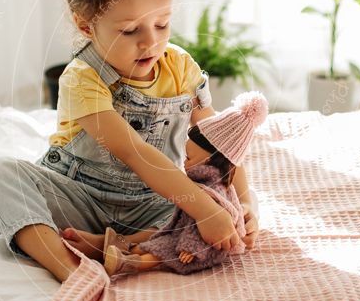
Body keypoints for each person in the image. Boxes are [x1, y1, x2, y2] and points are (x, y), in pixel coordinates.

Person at [0, 0, 260, 283]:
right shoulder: (82, 78)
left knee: (216, 202)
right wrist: (205, 210)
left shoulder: (181, 69)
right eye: (129, 30)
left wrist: (243, 202)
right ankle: (68, 266)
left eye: (162, 24)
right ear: (85, 25)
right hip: (82, 198)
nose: (150, 42)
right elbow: (133, 153)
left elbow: (219, 147)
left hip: (157, 203)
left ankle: (120, 249)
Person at [103, 91, 268, 276]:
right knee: (157, 240)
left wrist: (190, 247)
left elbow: (201, 227)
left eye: (189, 157)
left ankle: (127, 262)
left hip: (196, 244)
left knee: (161, 252)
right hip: (179, 229)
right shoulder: (198, 182)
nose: (184, 162)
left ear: (209, 161)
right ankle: (122, 246)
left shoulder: (213, 193)